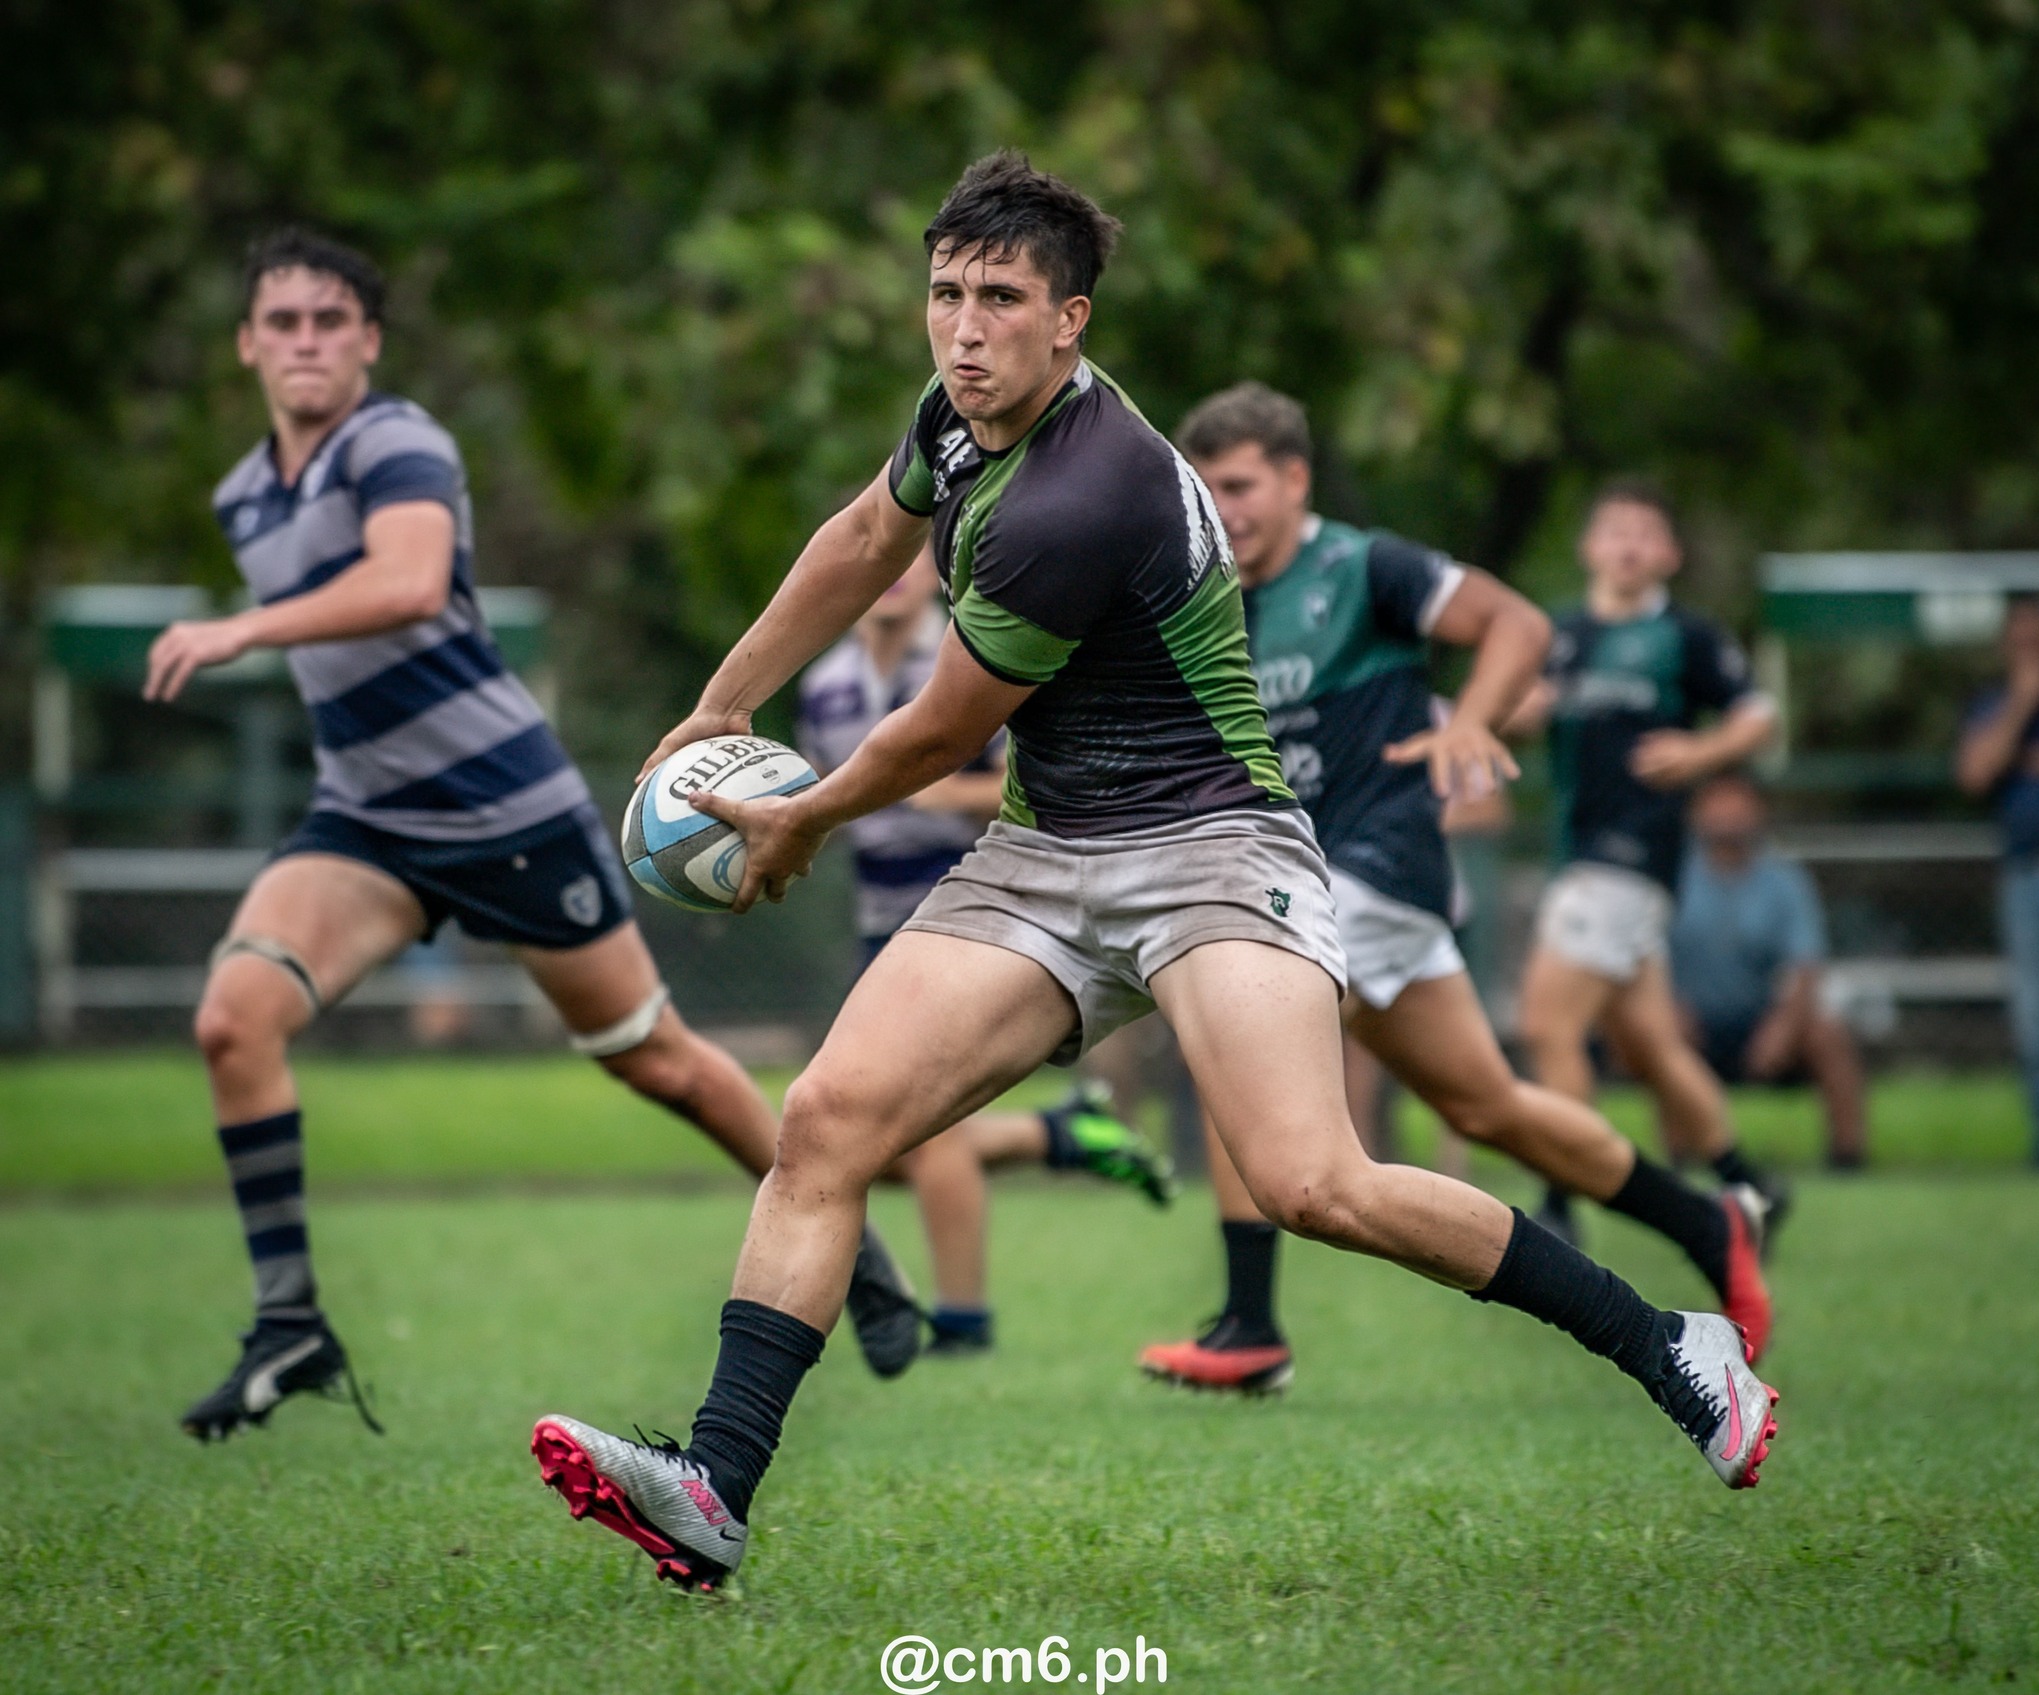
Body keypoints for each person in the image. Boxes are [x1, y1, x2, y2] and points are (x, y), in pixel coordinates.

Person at [526, 154, 1778, 1595]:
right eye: (945, 293)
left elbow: (943, 721)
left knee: (1315, 1179)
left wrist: (800, 817)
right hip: (1046, 852)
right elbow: (863, 534)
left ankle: (1670, 1341)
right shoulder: (955, 421)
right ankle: (713, 1484)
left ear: (1073, 320)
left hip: (1214, 852)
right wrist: (723, 704)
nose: (963, 328)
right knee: (826, 1120)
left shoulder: (1086, 491)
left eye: (1000, 298)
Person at [147, 229, 924, 1442]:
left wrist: (241, 634)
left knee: (653, 1059)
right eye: (281, 322)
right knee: (230, 1019)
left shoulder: (394, 444)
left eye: (329, 320)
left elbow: (408, 583)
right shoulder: (246, 493)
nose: (305, 341)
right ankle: (289, 1320)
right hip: (364, 819)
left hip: (501, 809)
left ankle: (854, 1247)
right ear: (247, 341)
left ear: (368, 340)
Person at [1137, 383, 1771, 1396]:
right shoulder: (1209, 597)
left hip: (1375, 867)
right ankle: (1706, 1221)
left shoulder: (1361, 565)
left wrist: (1471, 718)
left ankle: (1250, 1324)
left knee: (1238, 1019)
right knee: (1488, 1108)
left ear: (1294, 479)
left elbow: (1514, 625)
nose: (1226, 506)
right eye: (1207, 489)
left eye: (1243, 484)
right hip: (1317, 884)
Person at [796, 545, 1174, 1354]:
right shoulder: (824, 683)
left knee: (915, 1132)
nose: (892, 575)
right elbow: (824, 793)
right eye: (879, 562)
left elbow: (1028, 781)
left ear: (934, 571)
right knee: (871, 1131)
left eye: (907, 559)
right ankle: (1065, 1136)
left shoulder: (969, 656)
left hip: (970, 907)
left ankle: (965, 1320)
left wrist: (936, 787)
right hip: (877, 915)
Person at [1510, 484, 1786, 1245]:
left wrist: (1701, 751)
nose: (1629, 546)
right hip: (1582, 850)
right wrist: (1516, 711)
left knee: (1546, 1022)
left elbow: (1759, 715)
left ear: (1668, 553)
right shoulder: (1562, 635)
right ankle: (1747, 1183)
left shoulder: (1685, 636)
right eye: (1614, 532)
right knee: (1649, 1046)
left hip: (1629, 856)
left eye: (1645, 534)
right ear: (1589, 548)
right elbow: (1510, 708)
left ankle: (1562, 1202)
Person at [1670, 772, 1868, 1169]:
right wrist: (1669, 1008)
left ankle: (1849, 1158)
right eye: (1717, 801)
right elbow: (1647, 956)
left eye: (1739, 801)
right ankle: (1680, 1161)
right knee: (1662, 1034)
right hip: (1694, 1020)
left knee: (1828, 1034)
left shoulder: (1786, 881)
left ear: (1759, 812)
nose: (1729, 813)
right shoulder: (1671, 875)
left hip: (1764, 1019)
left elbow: (1806, 966)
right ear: (1695, 812)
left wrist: (1783, 1027)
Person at [1956, 594, 2039, 1166]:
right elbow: (1976, 770)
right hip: (2024, 874)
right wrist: (2025, 698)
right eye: (2018, 638)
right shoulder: (1994, 703)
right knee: (2036, 1020)